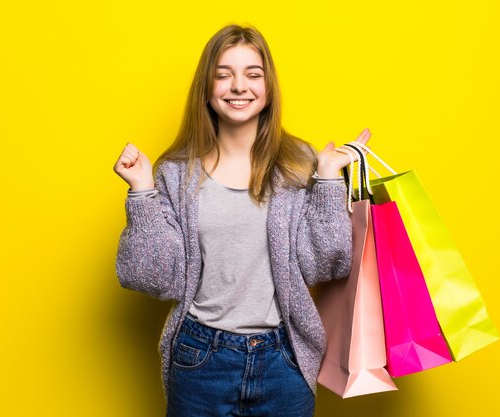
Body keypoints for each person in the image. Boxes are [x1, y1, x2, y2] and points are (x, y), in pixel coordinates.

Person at [112, 23, 371, 417]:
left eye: (253, 74)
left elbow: (326, 263)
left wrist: (328, 180)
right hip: (200, 360)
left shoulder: (299, 164)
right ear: (207, 88)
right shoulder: (175, 174)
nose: (239, 86)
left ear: (268, 90)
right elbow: (153, 277)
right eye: (224, 75)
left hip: (284, 360)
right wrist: (142, 192)